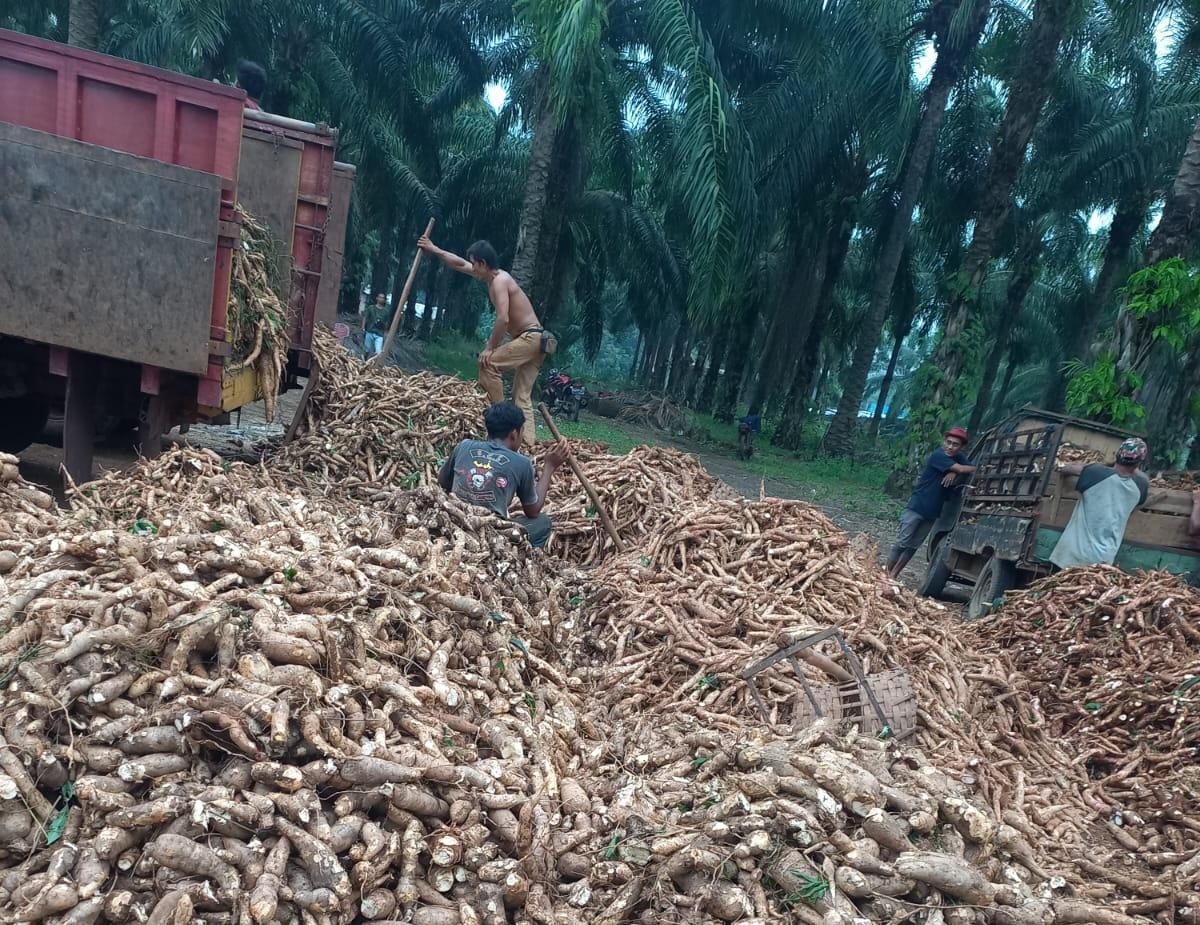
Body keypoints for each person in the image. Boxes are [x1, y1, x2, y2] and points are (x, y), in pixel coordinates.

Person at [417, 235, 555, 448]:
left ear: (483, 263)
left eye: (474, 263)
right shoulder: (491, 277)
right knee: (522, 396)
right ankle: (527, 445)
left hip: (530, 338)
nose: (471, 267)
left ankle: (502, 423)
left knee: (488, 363)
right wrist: (434, 249)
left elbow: (503, 318)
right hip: (538, 341)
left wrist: (490, 348)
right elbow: (458, 263)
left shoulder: (500, 281)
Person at [438, 403, 569, 548]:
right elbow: (533, 511)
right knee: (542, 523)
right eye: (522, 431)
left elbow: (443, 482)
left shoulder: (464, 445)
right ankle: (522, 555)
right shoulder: (522, 463)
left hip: (453, 519)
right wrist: (549, 467)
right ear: (514, 434)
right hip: (491, 533)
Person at [887, 426, 976, 579]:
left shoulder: (958, 457)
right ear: (944, 441)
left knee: (913, 546)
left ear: (961, 447)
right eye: (948, 442)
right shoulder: (938, 455)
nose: (950, 447)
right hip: (917, 506)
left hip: (933, 512)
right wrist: (957, 470)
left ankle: (894, 575)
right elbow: (964, 469)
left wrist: (954, 470)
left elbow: (970, 467)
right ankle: (884, 574)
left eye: (955, 444)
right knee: (902, 542)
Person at [1049, 437, 1150, 570]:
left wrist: (1107, 464)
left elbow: (1067, 468)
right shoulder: (1140, 486)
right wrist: (1133, 466)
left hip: (1073, 555)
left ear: (1118, 454)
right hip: (1102, 561)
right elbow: (1145, 478)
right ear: (1138, 463)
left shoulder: (1096, 473)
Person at [361, 292, 390, 357]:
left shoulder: (386, 311)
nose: (381, 299)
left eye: (383, 298)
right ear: (377, 298)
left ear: (384, 300)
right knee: (367, 349)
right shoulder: (371, 308)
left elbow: (386, 323)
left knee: (378, 351)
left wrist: (385, 332)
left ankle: (374, 364)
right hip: (370, 331)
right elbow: (365, 317)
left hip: (379, 334)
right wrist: (363, 327)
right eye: (380, 297)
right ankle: (365, 361)